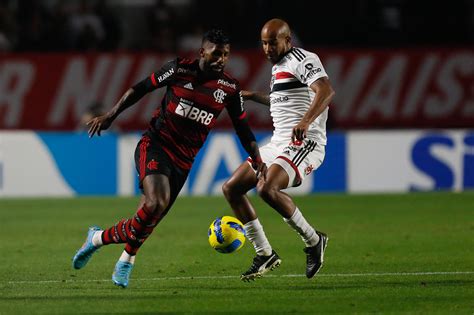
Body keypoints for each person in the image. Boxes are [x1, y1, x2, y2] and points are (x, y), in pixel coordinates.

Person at [72, 29, 267, 288]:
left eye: (226, 55)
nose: (221, 59)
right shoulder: (178, 70)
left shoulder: (229, 88)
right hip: (155, 144)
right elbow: (139, 89)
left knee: (143, 221)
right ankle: (126, 262)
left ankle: (95, 239)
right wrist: (111, 115)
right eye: (216, 53)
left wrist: (257, 158)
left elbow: (243, 129)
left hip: (183, 162)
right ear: (202, 52)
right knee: (157, 202)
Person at [222, 18, 335, 281]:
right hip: (278, 143)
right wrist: (253, 96)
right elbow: (282, 100)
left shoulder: (302, 58)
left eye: (273, 42)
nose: (267, 48)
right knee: (232, 188)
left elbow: (326, 90)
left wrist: (305, 122)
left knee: (266, 188)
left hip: (306, 142)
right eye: (263, 43)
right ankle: (265, 253)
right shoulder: (279, 68)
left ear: (287, 40)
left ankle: (313, 239)